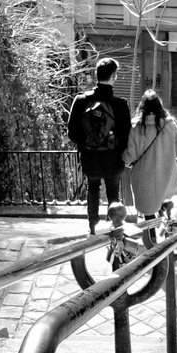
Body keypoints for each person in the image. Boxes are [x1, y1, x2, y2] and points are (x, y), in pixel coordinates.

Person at [66, 57, 132, 233]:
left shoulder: (80, 100)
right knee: (113, 194)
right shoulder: (120, 105)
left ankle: (93, 228)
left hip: (90, 158)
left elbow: (72, 132)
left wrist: (89, 143)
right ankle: (114, 229)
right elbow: (126, 136)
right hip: (113, 159)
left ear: (96, 75)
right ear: (114, 77)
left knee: (92, 189)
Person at [124, 90, 177, 217]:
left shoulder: (135, 127)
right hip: (167, 176)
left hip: (143, 178)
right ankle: (165, 234)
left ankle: (151, 234)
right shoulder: (170, 125)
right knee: (166, 211)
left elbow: (129, 157)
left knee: (148, 213)